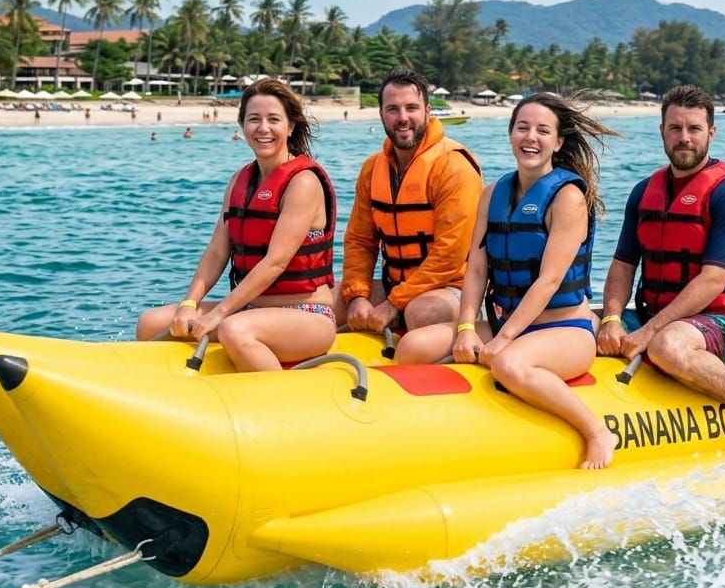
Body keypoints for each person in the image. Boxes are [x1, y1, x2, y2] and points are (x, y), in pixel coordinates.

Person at [398, 94, 619, 469]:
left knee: (509, 365)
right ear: (511, 133)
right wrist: (467, 327)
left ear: (558, 142)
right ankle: (442, 429)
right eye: (523, 127)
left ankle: (597, 431)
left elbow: (549, 281)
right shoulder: (493, 194)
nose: (531, 137)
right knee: (412, 347)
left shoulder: (567, 198)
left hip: (565, 329)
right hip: (507, 324)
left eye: (542, 131)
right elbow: (477, 269)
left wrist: (501, 341)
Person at [597, 85, 725, 454]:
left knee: (668, 345)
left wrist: (649, 331)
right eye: (675, 128)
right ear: (662, 131)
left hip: (719, 322)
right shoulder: (643, 191)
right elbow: (622, 265)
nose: (684, 138)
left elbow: (714, 279)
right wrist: (612, 319)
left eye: (694, 129)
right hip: (651, 313)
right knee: (571, 325)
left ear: (711, 133)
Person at [135, 78, 338, 371]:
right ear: (242, 125)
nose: (263, 128)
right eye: (254, 119)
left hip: (307, 313)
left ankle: (282, 403)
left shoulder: (302, 182)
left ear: (291, 126)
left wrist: (220, 313)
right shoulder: (239, 181)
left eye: (274, 120)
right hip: (250, 307)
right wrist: (189, 304)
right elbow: (218, 251)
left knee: (234, 329)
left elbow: (275, 263)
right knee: (149, 324)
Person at [338, 68, 483, 334]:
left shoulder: (453, 166)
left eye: (411, 108)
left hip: (452, 288)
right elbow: (360, 240)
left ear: (428, 112)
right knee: (333, 302)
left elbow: (449, 255)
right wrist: (357, 294)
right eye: (393, 109)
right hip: (395, 282)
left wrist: (394, 303)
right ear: (381, 114)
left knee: (421, 312)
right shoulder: (372, 168)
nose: (402, 118)